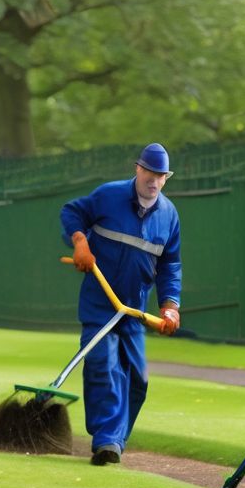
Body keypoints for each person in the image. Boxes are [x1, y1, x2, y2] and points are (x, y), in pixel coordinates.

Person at [60, 143, 182, 466]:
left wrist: (171, 305)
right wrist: (80, 241)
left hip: (133, 310)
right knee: (104, 366)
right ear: (137, 169)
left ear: (166, 179)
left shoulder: (169, 217)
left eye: (160, 175)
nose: (153, 180)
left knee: (138, 379)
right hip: (100, 303)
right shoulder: (108, 196)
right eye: (148, 172)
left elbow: (170, 265)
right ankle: (106, 441)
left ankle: (115, 438)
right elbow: (72, 212)